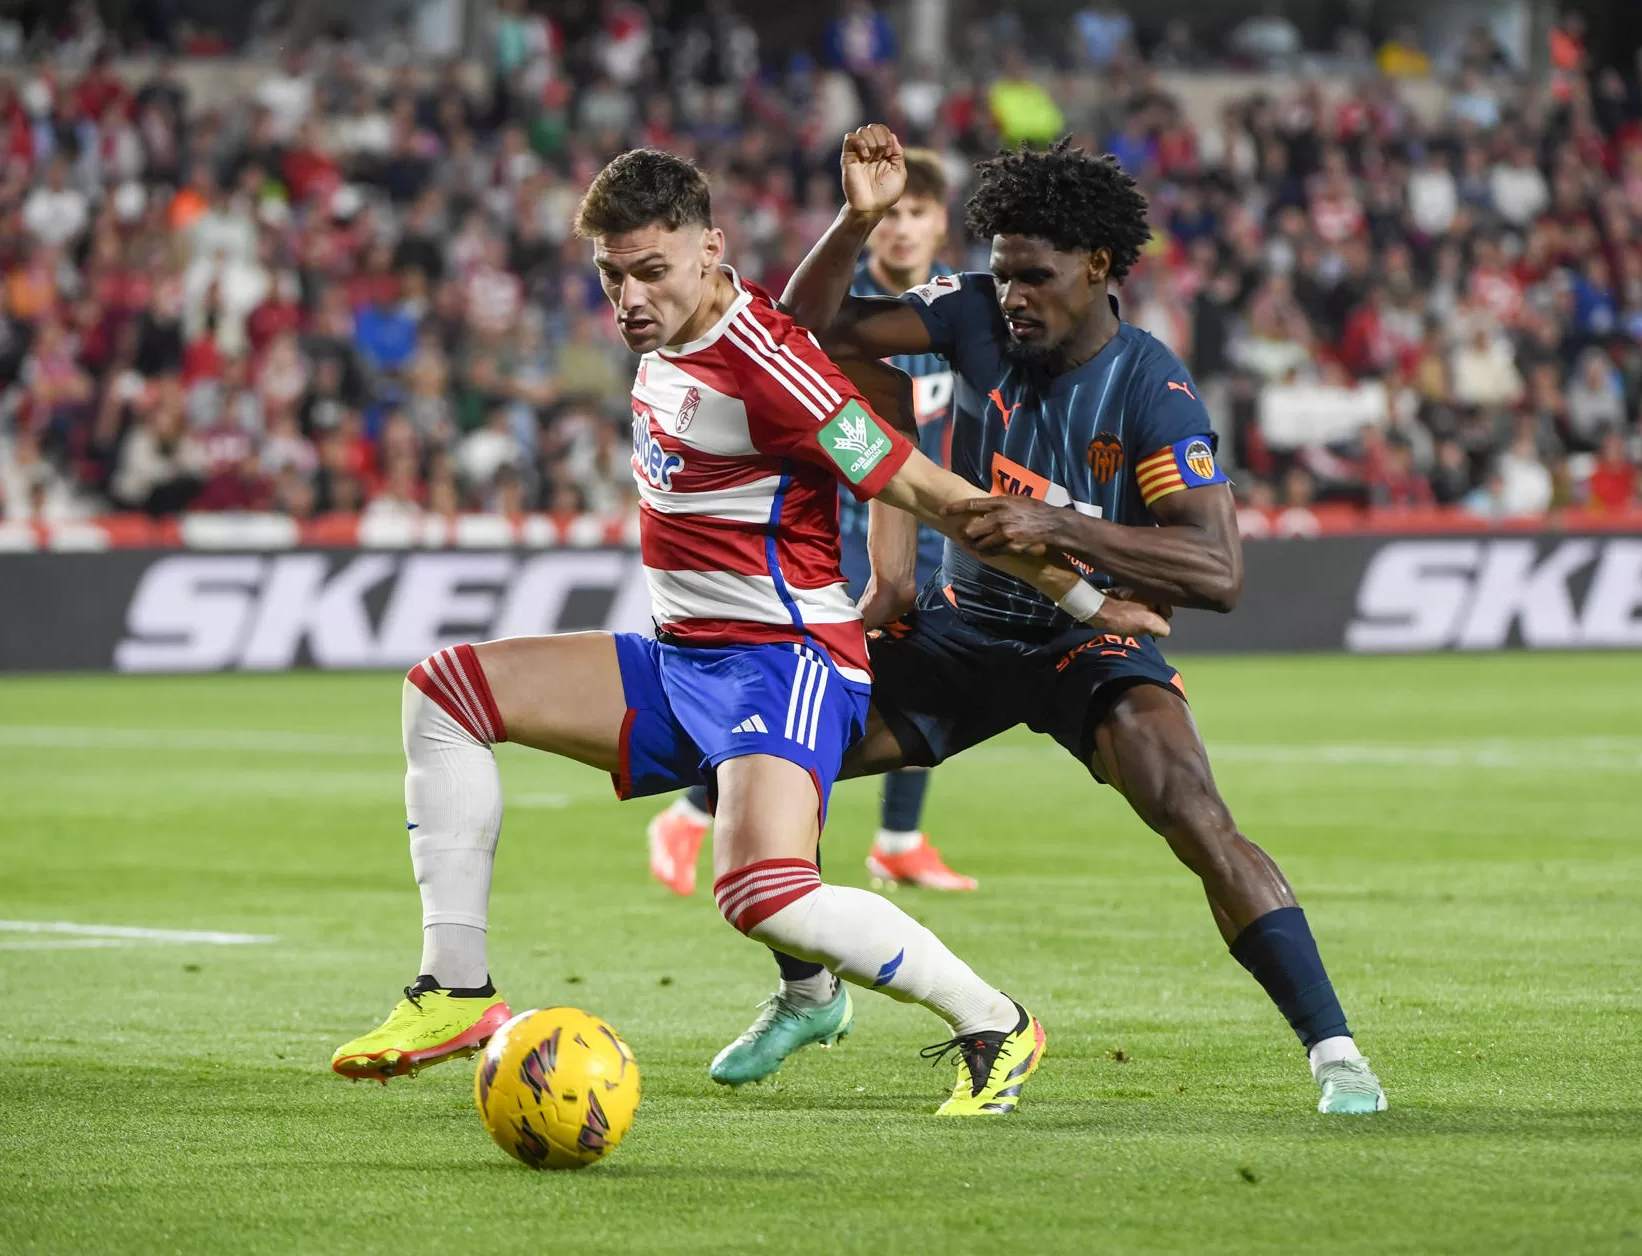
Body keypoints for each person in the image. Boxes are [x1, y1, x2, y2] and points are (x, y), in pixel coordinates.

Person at [328, 148, 1165, 1116]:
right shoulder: (676, 329)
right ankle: (456, 989)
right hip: (684, 656)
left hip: (785, 663)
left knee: (759, 892)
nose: (629, 299)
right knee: (446, 692)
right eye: (611, 275)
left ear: (710, 249)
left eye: (651, 271)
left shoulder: (771, 372)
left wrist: (1088, 602)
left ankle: (995, 1022)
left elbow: (932, 492)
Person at [747, 125, 1387, 1115]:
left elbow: (1218, 570)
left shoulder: (1153, 389)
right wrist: (856, 218)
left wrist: (1059, 525)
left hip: (1084, 639)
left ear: (1096, 266)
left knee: (1194, 814)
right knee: (764, 765)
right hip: (960, 634)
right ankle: (810, 993)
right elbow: (798, 330)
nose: (1012, 296)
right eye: (1003, 273)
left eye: (1034, 277)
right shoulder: (971, 313)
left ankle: (1337, 1054)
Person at [646, 148, 976, 921]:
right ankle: (700, 809)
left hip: (925, 521)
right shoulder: (843, 304)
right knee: (828, 682)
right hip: (843, 523)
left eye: (918, 214)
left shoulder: (957, 309)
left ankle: (897, 838)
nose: (901, 228)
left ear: (940, 224)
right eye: (892, 214)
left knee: (923, 671)